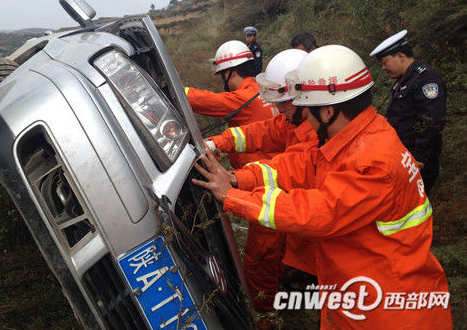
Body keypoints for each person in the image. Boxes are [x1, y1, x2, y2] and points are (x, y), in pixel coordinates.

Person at [193, 45, 452, 328]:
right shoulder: (361, 134)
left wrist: (233, 197)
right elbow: (304, 163)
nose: (301, 115)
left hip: (388, 308)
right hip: (364, 292)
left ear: (328, 111)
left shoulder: (372, 162)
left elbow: (318, 212)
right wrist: (236, 179)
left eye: (307, 107)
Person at [207, 49, 317, 320]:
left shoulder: (315, 135)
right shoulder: (297, 120)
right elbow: (264, 131)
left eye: (285, 102)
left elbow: (286, 169)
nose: (279, 109)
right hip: (300, 225)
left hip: (313, 233)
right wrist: (217, 143)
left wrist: (233, 180)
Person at [370, 30, 446, 192]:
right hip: (404, 157)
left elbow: (430, 119)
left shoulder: (426, 79)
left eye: (385, 62)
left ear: (400, 56)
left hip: (417, 161)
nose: (383, 68)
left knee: (415, 206)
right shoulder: (405, 80)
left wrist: (419, 156)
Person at [185, 40, 277, 170]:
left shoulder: (242, 98)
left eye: (222, 76)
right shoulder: (261, 90)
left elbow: (203, 100)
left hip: (257, 174)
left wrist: (175, 90)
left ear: (231, 74)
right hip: (274, 165)